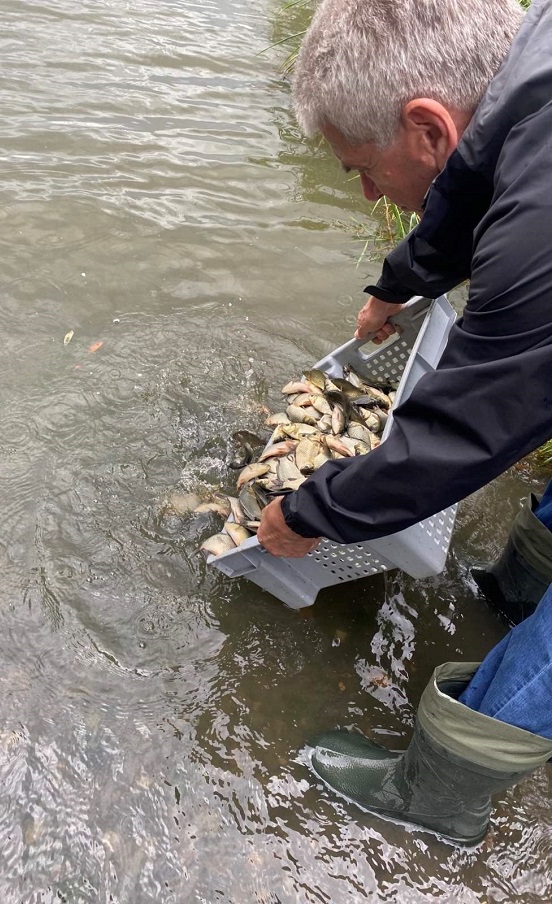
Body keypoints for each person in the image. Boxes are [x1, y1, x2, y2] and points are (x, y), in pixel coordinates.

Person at [255, 0, 552, 845]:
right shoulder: (528, 70)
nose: (361, 188)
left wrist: (309, 513)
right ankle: (512, 593)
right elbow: (474, 174)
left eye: (359, 166)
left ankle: (436, 797)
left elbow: (463, 433)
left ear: (425, 126)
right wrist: (398, 281)